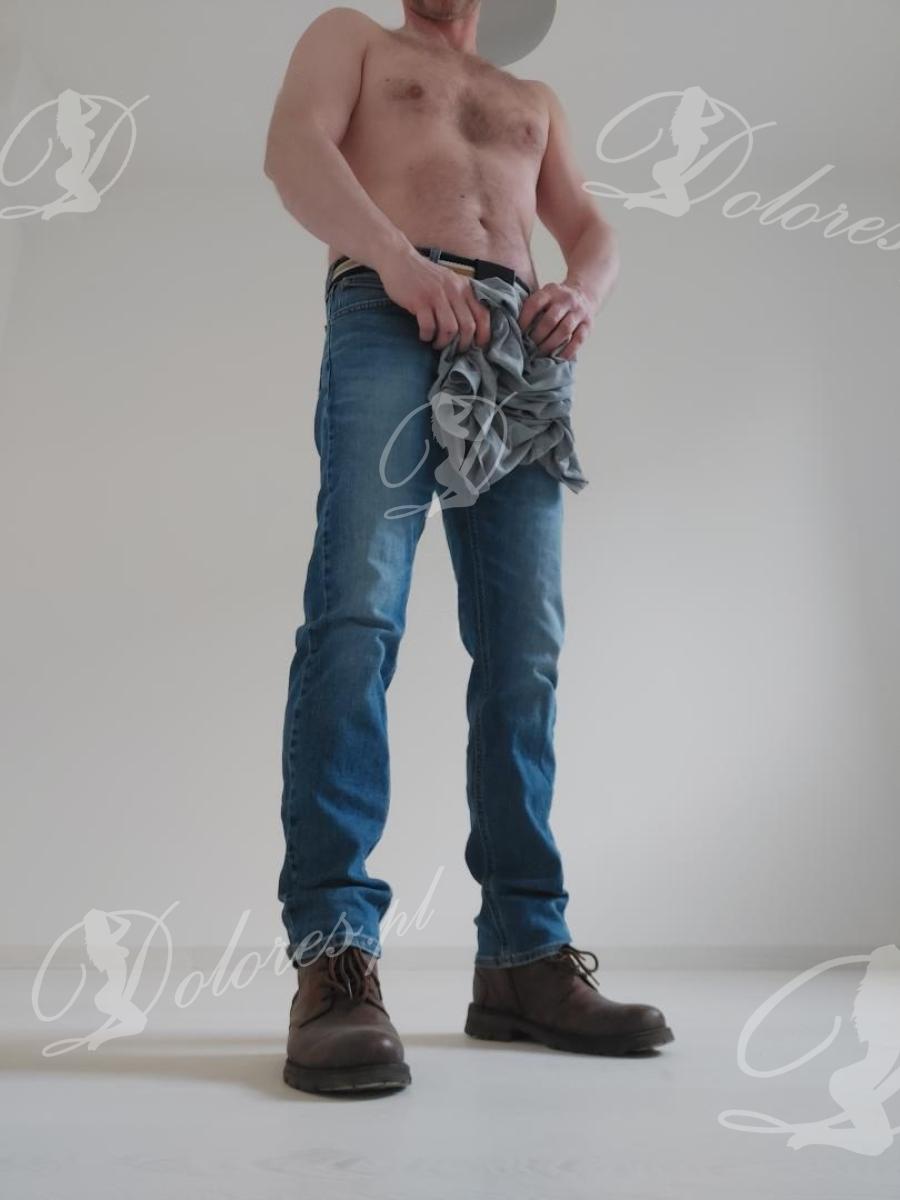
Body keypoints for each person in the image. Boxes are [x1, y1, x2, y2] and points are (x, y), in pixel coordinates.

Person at [264, 0, 673, 1095]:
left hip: (518, 339)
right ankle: (334, 956)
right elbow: (294, 153)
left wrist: (581, 292)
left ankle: (523, 960)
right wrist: (397, 262)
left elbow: (590, 227)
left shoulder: (531, 99)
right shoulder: (353, 39)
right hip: (389, 308)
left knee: (525, 646)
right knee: (357, 614)